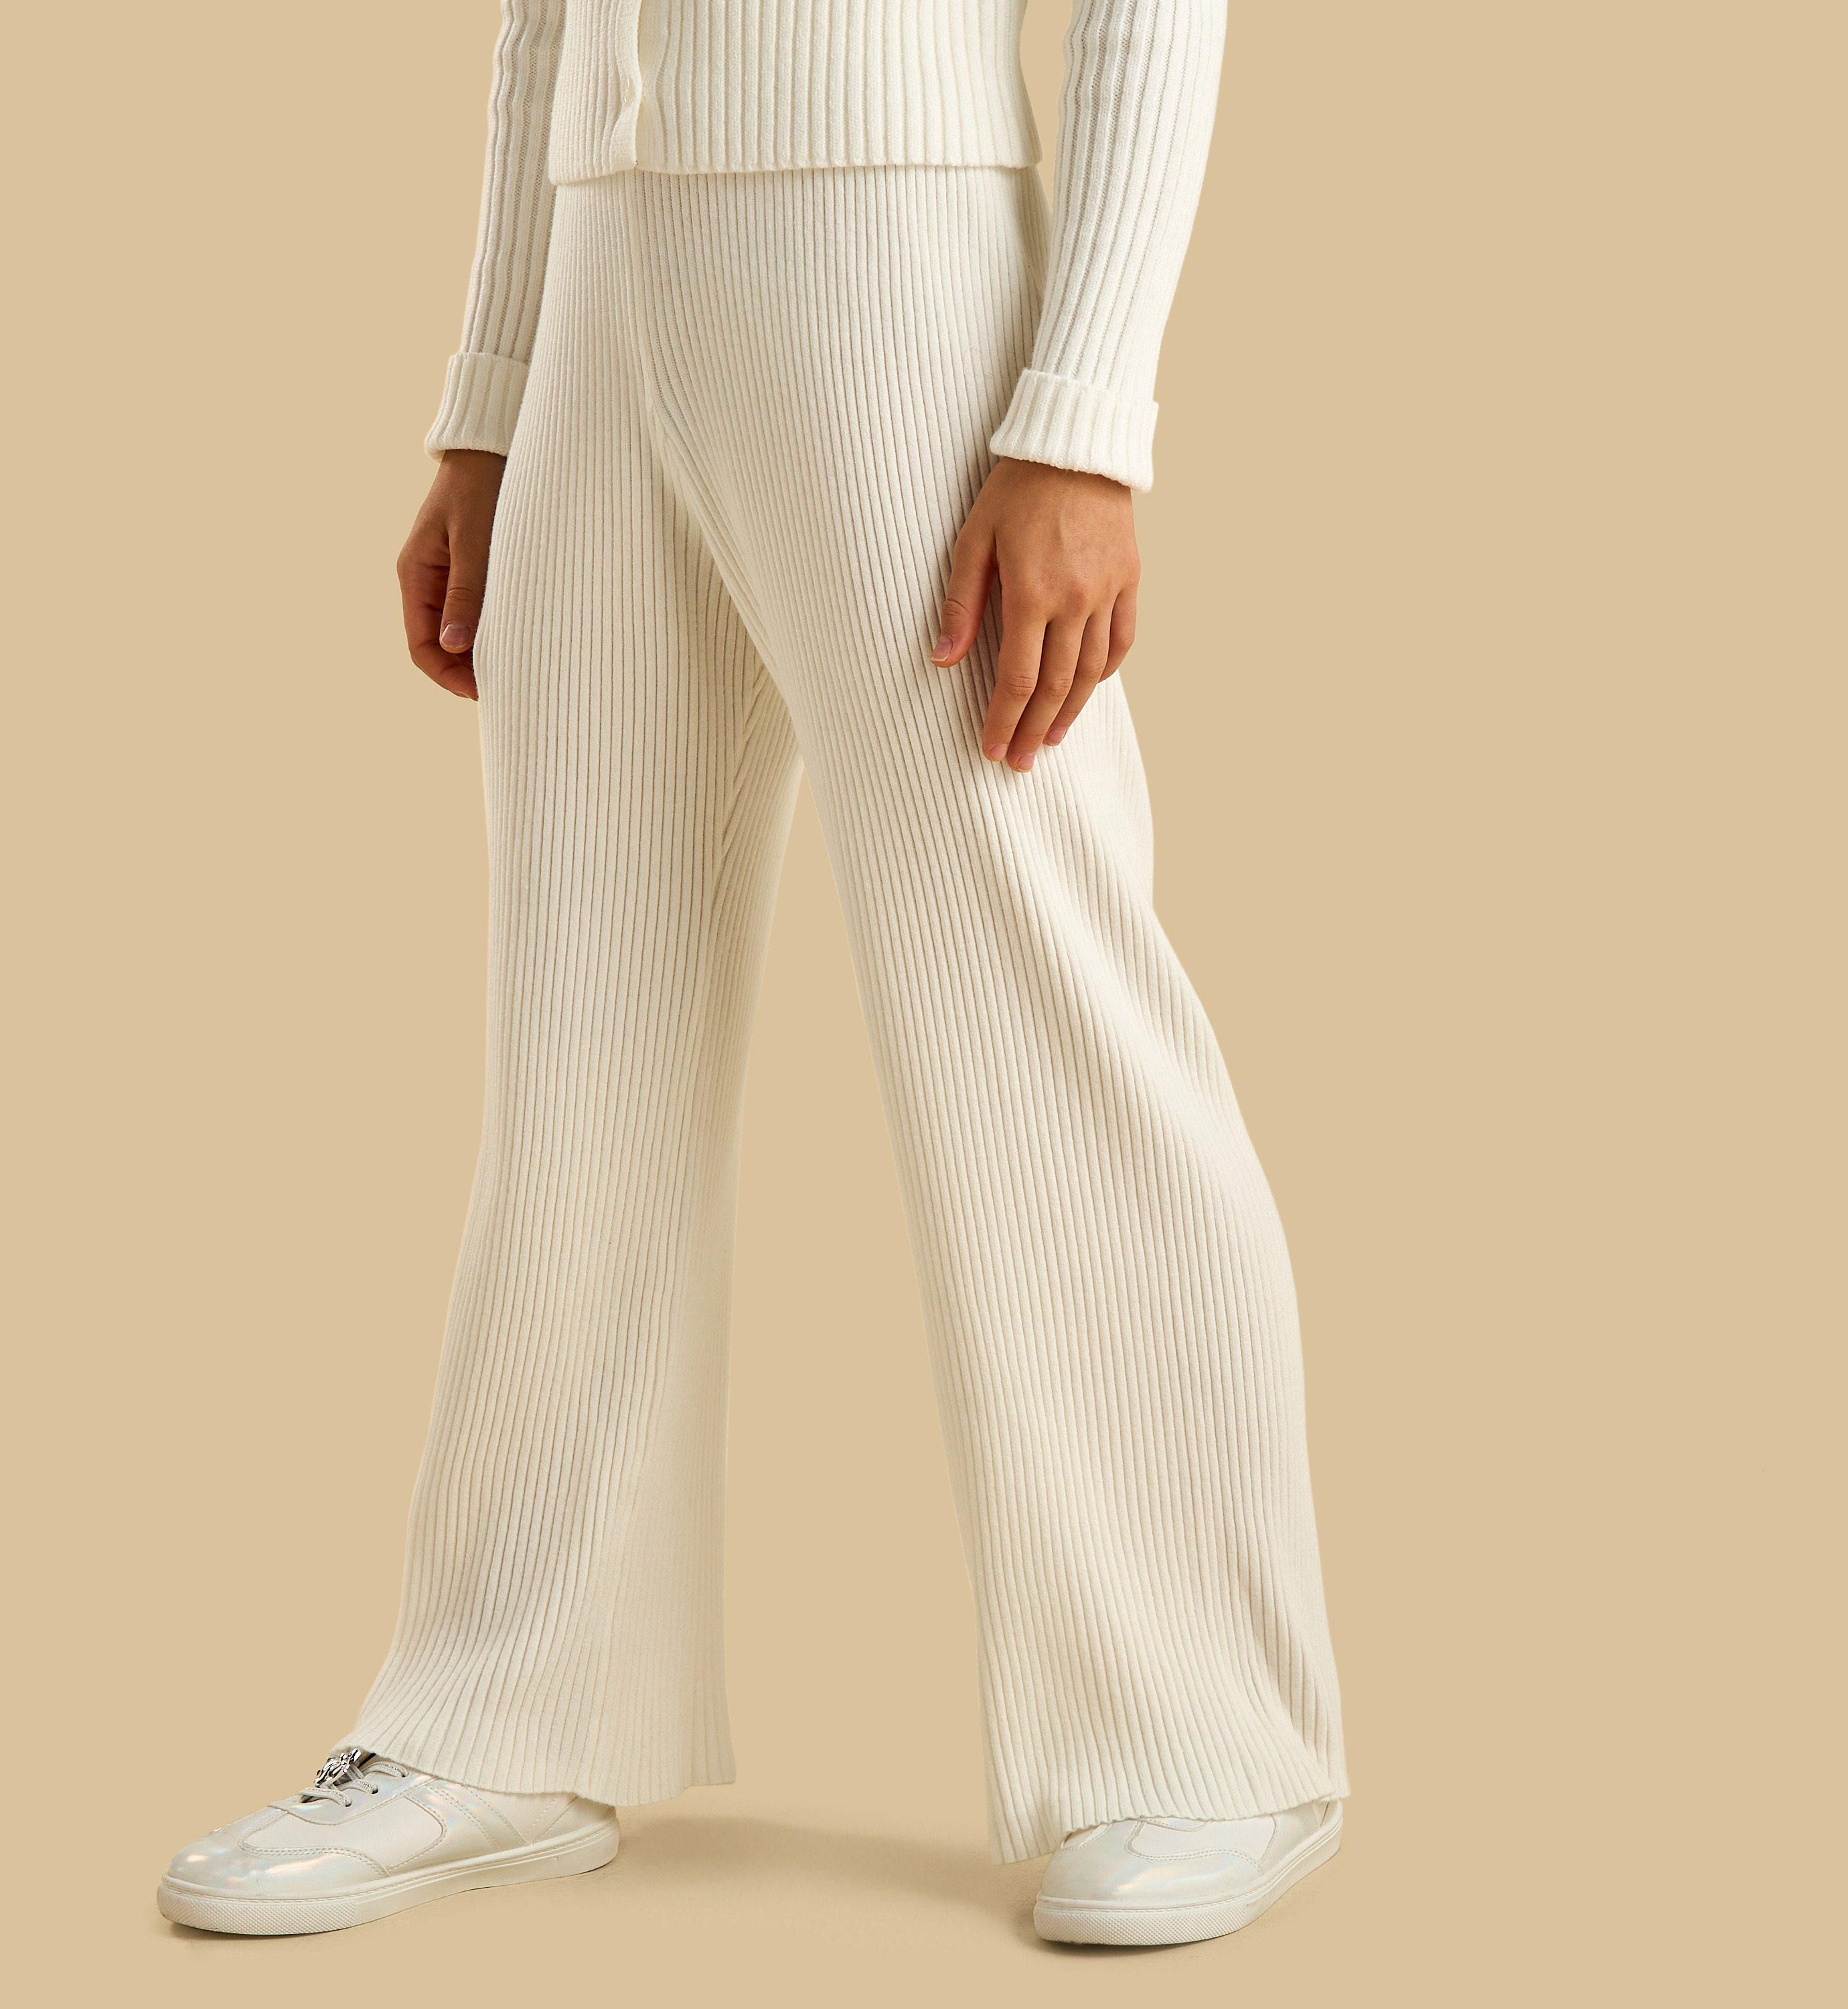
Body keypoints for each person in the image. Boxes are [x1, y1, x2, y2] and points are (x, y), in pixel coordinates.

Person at [157, 0, 1348, 1948]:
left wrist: (1083, 412)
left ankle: (1203, 1739)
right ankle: (506, 1717)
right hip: (603, 296)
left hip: (895, 273)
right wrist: (493, 392)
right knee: (583, 1033)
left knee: (1032, 1006)